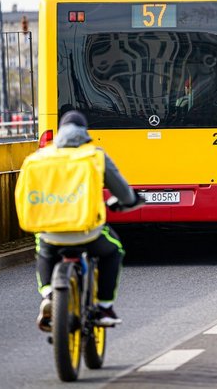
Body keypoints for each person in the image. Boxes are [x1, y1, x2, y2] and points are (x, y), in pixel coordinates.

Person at [32, 110, 142, 331]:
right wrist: (130, 201)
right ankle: (104, 307)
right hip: (87, 232)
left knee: (44, 250)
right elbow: (122, 191)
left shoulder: (41, 157)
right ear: (84, 132)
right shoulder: (95, 156)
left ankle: (48, 295)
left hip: (51, 231)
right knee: (114, 251)